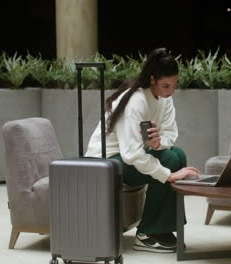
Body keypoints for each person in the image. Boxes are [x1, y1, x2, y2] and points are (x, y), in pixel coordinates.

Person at [85, 47, 200, 253]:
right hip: (106, 162)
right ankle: (146, 233)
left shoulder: (165, 98)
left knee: (178, 154)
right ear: (153, 79)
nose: (171, 91)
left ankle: (162, 229)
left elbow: (170, 133)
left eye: (174, 85)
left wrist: (158, 143)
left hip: (127, 157)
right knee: (170, 162)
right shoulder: (135, 100)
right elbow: (131, 154)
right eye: (166, 85)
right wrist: (168, 174)